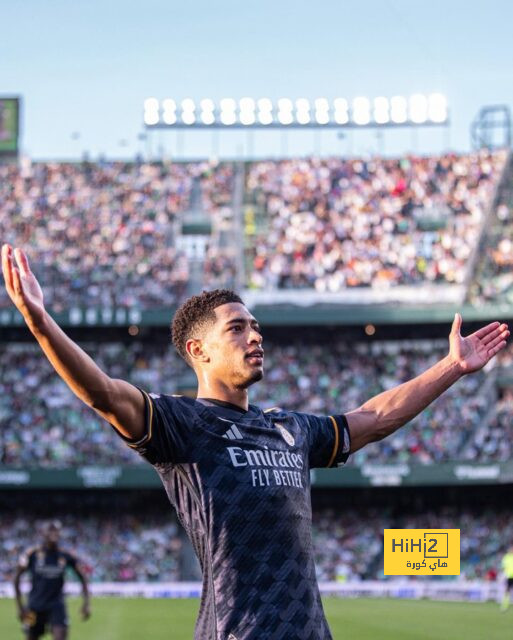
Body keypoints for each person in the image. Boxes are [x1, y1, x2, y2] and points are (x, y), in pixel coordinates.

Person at [2, 243, 509, 640]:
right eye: (238, 328)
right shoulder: (181, 424)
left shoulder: (289, 428)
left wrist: (451, 368)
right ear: (199, 350)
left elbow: (373, 418)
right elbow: (105, 394)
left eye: (257, 327)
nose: (256, 337)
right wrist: (41, 322)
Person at [13, 520, 90, 640]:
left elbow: (83, 577)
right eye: (50, 530)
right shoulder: (31, 554)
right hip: (33, 606)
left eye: (56, 530)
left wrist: (86, 604)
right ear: (43, 533)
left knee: (61, 636)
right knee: (30, 636)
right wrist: (20, 607)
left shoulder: (65, 555)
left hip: (56, 606)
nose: (54, 533)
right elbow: (17, 577)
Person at [500, 545, 513, 612]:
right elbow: (503, 567)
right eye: (511, 549)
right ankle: (505, 605)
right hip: (509, 577)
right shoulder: (506, 557)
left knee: (507, 591)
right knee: (507, 591)